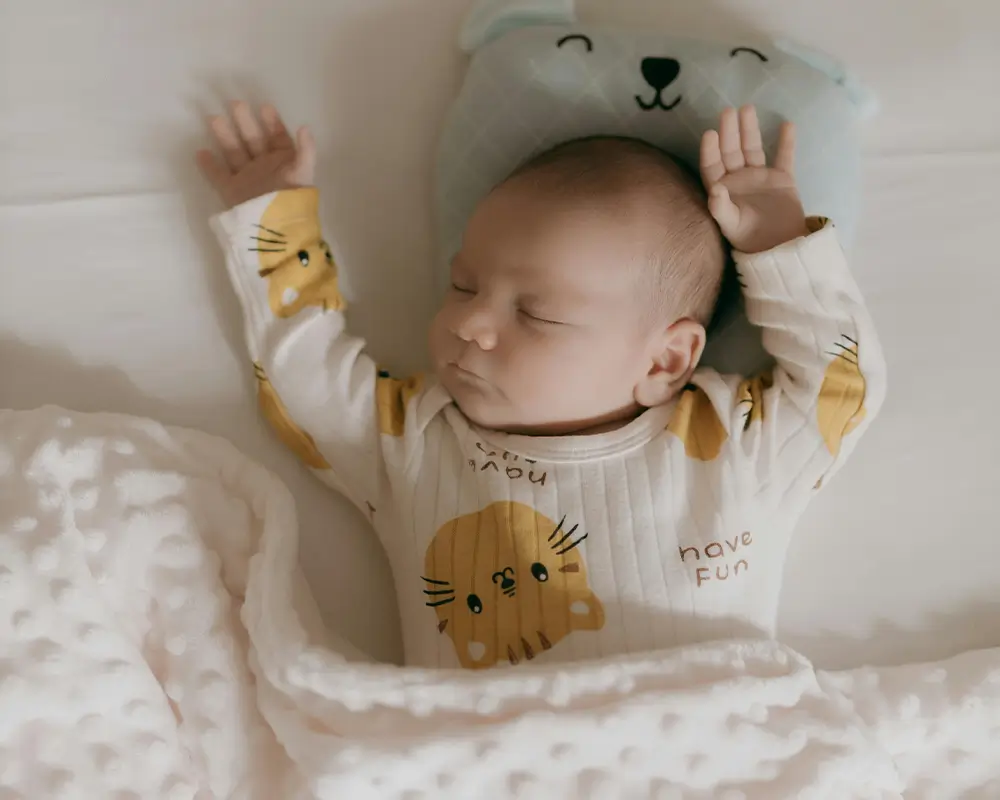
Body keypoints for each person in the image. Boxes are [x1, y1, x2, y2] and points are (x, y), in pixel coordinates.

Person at [197, 101, 885, 669]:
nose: (470, 323)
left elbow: (839, 390)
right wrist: (272, 228)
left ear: (664, 361)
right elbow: (303, 381)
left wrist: (777, 248)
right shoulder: (419, 442)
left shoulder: (731, 445)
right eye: (462, 285)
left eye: (537, 314)